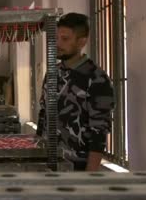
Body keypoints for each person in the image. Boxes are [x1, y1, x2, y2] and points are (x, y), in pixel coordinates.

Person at [37, 13, 115, 171]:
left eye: (65, 39)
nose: (58, 43)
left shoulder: (96, 78)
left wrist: (89, 177)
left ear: (82, 41)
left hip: (77, 165)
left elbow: (99, 132)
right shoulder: (53, 73)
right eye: (57, 37)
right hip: (47, 162)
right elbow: (43, 115)